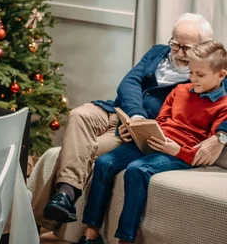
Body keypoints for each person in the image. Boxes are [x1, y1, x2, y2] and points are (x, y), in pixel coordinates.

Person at [35, 13, 213, 226]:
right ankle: (59, 201)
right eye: (176, 45)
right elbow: (130, 82)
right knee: (78, 114)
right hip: (117, 111)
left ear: (204, 46)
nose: (180, 53)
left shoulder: (208, 73)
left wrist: (221, 136)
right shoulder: (158, 52)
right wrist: (136, 114)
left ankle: (60, 200)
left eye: (187, 48)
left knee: (76, 153)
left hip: (133, 134)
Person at [79, 40, 227, 244]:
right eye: (191, 72)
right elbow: (161, 121)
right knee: (104, 163)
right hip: (157, 141)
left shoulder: (223, 106)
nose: (193, 78)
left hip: (179, 152)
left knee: (137, 170)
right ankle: (91, 234)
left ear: (221, 75)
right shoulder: (180, 91)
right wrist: (140, 131)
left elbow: (201, 154)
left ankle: (125, 239)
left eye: (200, 75)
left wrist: (175, 150)